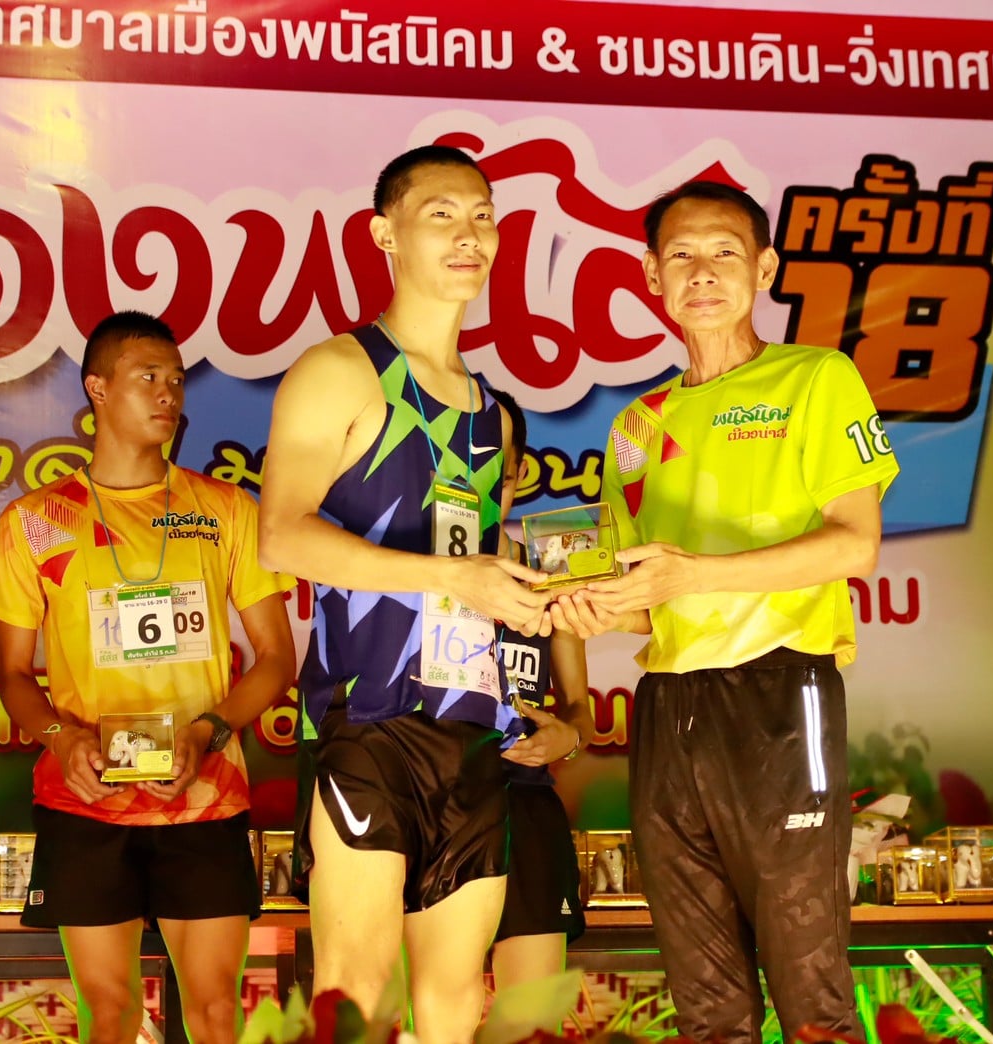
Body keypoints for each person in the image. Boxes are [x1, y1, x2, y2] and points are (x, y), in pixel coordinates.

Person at [552, 181, 897, 1041]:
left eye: (724, 253)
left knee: (810, 988)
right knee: (705, 1001)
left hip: (781, 693)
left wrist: (693, 575)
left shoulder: (816, 377)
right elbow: (650, 602)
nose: (701, 272)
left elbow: (854, 545)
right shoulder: (636, 426)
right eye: (681, 255)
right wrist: (587, 606)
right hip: (668, 708)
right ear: (651, 275)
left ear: (764, 269)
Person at [258, 145, 547, 1043]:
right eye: (442, 216)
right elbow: (282, 534)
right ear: (385, 235)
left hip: (474, 726)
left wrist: (545, 602)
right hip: (369, 725)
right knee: (357, 996)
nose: (470, 236)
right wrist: (449, 575)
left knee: (457, 1000)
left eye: (483, 217)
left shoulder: (491, 409)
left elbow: (482, 568)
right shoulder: (339, 370)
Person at [0, 312, 296, 1044]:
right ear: (97, 388)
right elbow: (13, 675)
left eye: (177, 380)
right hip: (86, 801)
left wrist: (209, 731)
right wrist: (62, 741)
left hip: (205, 798)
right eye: (148, 376)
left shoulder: (224, 509)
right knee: (110, 1016)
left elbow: (278, 659)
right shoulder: (36, 519)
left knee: (215, 1015)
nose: (168, 393)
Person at [489, 389, 592, 990]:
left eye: (500, 475)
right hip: (431, 801)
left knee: (527, 1016)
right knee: (432, 1010)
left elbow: (579, 709)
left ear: (519, 471)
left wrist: (567, 739)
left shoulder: (553, 563)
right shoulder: (406, 565)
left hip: (525, 806)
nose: (487, 486)